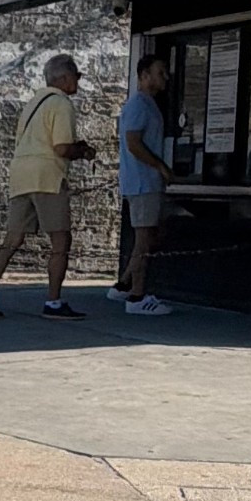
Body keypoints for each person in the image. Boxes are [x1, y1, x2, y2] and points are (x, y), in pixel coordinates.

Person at [0, 53, 96, 320]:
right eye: (75, 76)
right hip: (47, 176)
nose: (77, 82)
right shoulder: (62, 103)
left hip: (20, 174)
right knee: (60, 239)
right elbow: (61, 147)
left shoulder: (33, 103)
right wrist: (83, 151)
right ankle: (53, 302)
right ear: (64, 78)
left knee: (12, 239)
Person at [105, 53, 175, 317]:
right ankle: (137, 296)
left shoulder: (148, 104)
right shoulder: (138, 105)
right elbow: (133, 142)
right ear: (143, 76)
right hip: (143, 182)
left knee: (150, 236)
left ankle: (124, 284)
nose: (164, 77)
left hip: (146, 181)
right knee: (144, 239)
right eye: (159, 72)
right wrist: (159, 165)